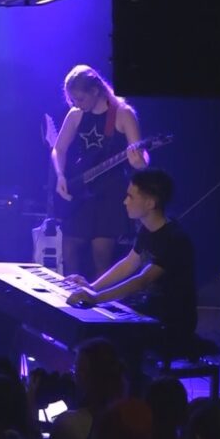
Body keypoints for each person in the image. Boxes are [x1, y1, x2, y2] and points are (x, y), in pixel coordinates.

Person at [66, 169, 197, 358]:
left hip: (170, 321)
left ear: (150, 203)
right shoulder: (146, 229)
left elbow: (142, 281)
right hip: (149, 309)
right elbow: (129, 263)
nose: (124, 201)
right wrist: (92, 287)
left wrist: (96, 298)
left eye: (130, 197)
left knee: (104, 335)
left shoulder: (174, 239)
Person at [52, 64, 149, 279]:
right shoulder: (76, 114)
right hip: (81, 190)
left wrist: (139, 162)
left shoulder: (123, 113)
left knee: (101, 256)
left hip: (110, 195)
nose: (76, 104)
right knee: (69, 249)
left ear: (95, 91)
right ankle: (70, 296)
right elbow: (59, 149)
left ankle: (99, 298)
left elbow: (141, 155)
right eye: (73, 100)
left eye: (80, 99)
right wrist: (60, 175)